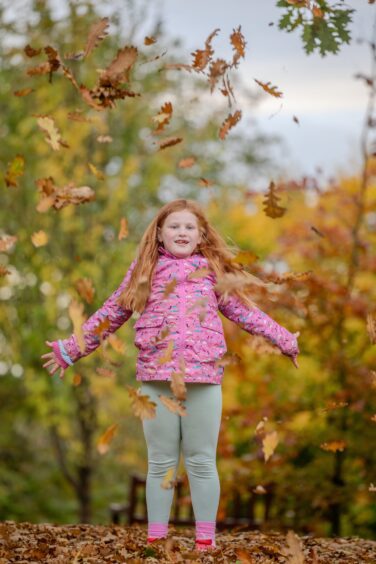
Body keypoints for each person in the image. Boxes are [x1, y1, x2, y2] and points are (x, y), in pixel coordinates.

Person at [41, 198, 300, 552]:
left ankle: (205, 542)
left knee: (201, 460)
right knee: (161, 461)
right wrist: (72, 348)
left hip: (203, 379)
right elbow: (112, 312)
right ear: (160, 234)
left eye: (189, 227)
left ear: (201, 235)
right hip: (156, 378)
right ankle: (157, 540)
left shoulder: (212, 272)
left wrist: (284, 340)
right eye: (174, 226)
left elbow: (245, 313)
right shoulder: (144, 271)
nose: (182, 232)